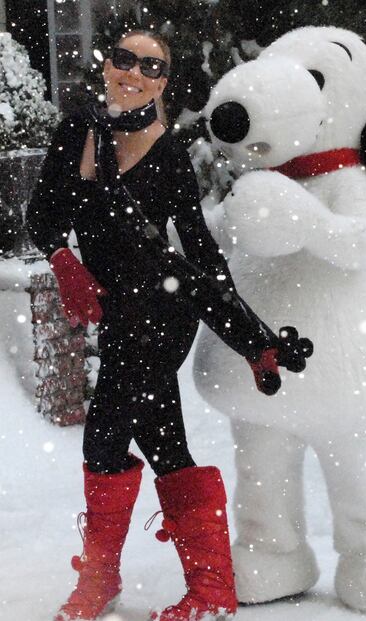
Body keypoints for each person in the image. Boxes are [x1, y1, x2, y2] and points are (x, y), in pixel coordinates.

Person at [27, 29, 311, 621]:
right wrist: (61, 259)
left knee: (103, 440)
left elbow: (200, 255)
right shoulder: (79, 131)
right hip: (120, 314)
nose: (133, 72)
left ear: (161, 82)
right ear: (109, 66)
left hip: (163, 313)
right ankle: (210, 591)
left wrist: (250, 337)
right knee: (164, 444)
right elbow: (43, 212)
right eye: (124, 59)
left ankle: (100, 581)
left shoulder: (170, 154)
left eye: (149, 66)